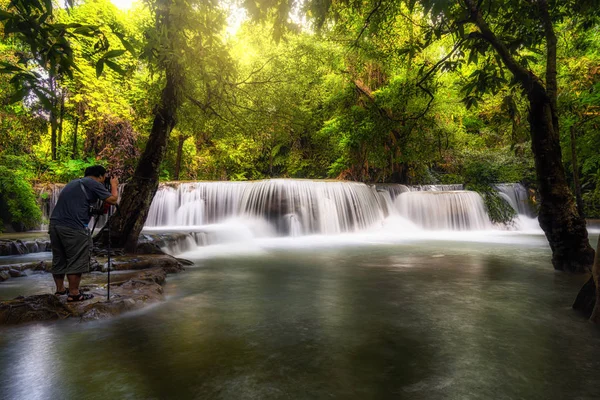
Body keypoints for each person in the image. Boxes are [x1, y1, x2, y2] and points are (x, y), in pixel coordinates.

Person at [49, 165, 118, 302]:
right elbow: (113, 200)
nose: (105, 180)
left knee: (59, 257)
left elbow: (80, 205)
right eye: (104, 177)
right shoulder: (93, 183)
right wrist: (114, 185)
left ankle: (60, 290)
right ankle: (74, 294)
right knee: (77, 258)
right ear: (99, 176)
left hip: (55, 225)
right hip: (73, 227)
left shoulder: (74, 183)